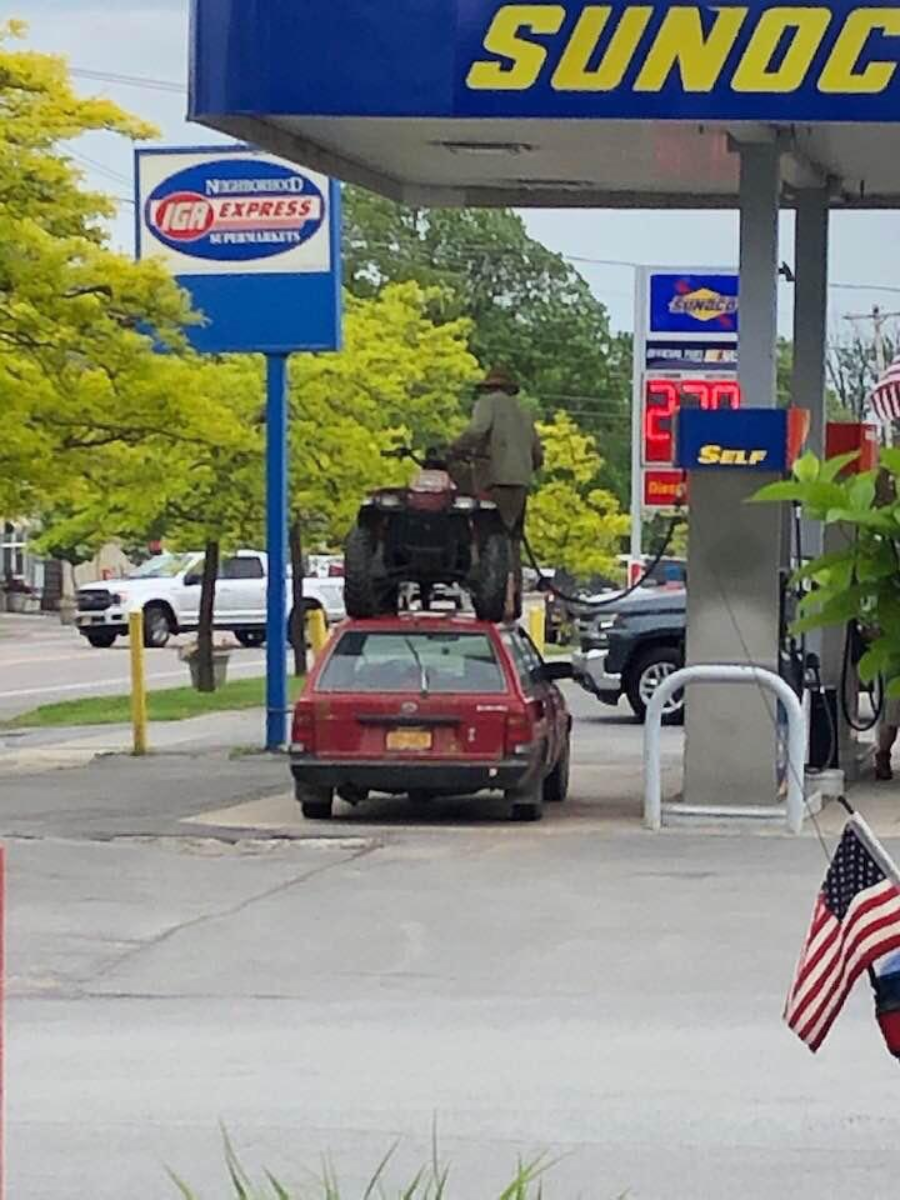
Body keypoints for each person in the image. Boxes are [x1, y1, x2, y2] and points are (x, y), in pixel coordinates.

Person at [449, 366, 544, 539]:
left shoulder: (487, 403)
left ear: (488, 388)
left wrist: (454, 448)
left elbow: (476, 431)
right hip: (520, 484)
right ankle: (514, 566)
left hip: (493, 481)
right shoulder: (524, 413)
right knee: (512, 538)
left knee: (484, 534)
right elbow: (538, 456)